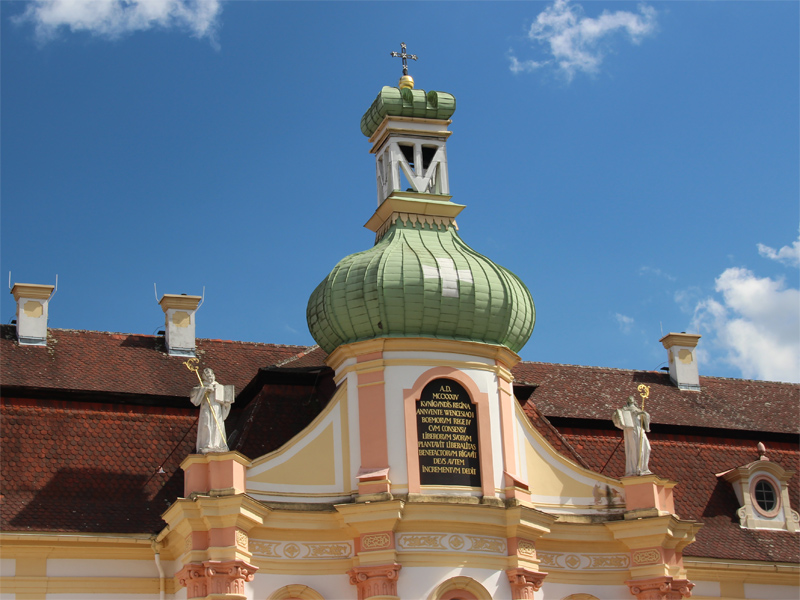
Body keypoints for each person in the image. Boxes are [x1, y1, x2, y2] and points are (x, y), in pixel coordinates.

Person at [190, 368, 234, 454]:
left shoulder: (218, 386)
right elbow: (194, 397)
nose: (210, 377)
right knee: (207, 424)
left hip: (217, 408)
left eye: (211, 375)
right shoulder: (201, 385)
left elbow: (224, 402)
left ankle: (216, 444)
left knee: (217, 426)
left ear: (213, 375)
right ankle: (208, 444)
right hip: (206, 408)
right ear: (204, 377)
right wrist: (204, 390)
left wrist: (227, 403)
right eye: (208, 376)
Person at [612, 396, 652, 476]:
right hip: (631, 430)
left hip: (640, 430)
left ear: (634, 401)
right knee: (634, 449)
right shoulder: (624, 410)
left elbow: (646, 422)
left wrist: (644, 414)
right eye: (628, 398)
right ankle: (634, 469)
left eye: (632, 398)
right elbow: (617, 419)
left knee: (647, 447)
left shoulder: (638, 410)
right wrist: (617, 415)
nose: (630, 399)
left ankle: (643, 467)